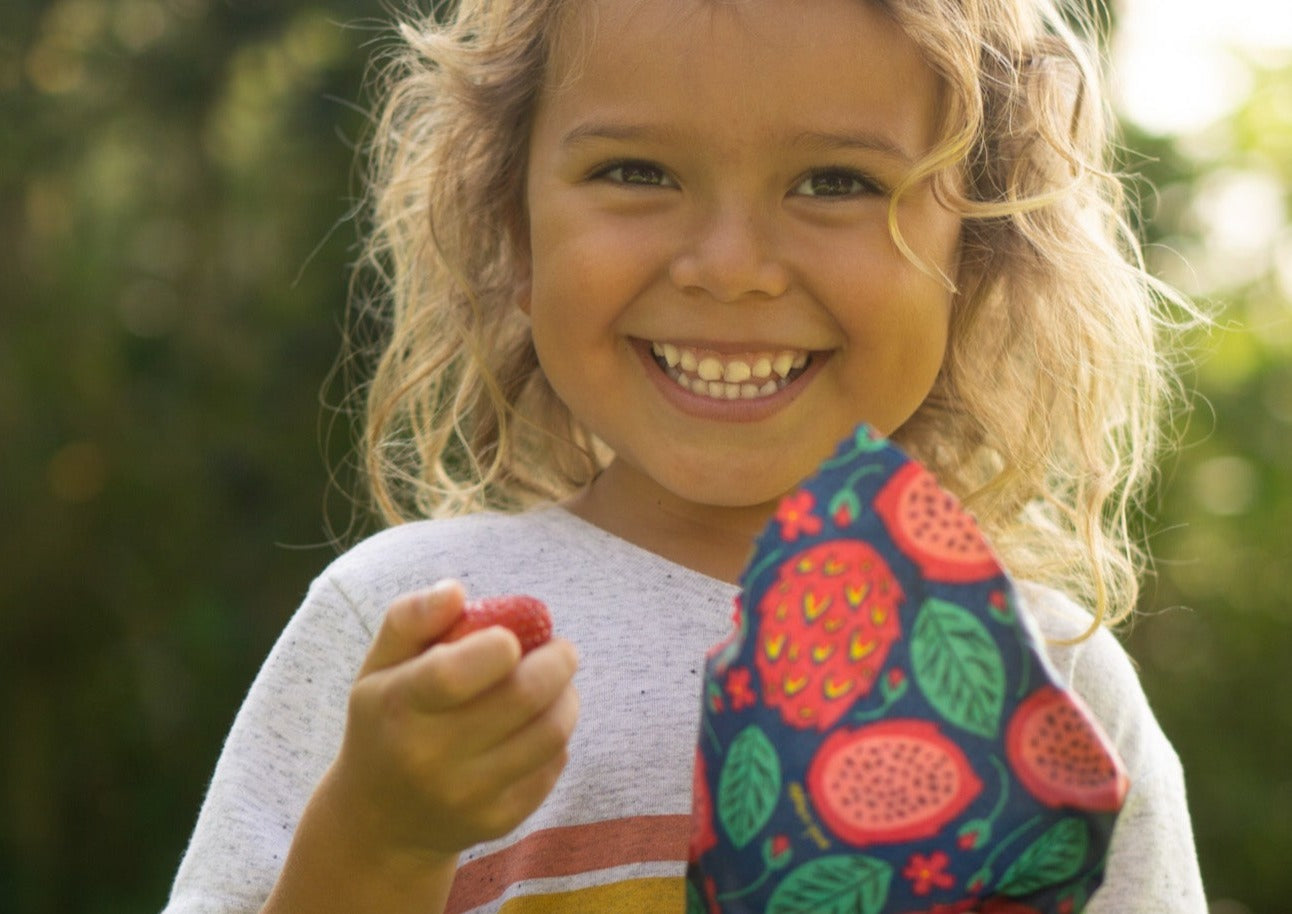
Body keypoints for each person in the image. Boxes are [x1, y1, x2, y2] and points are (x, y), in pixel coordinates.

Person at [162, 0, 1209, 911]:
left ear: (972, 255)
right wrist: (385, 834)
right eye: (637, 171)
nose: (730, 267)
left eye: (834, 181)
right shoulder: (414, 634)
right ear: (513, 235)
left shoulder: (1050, 679)